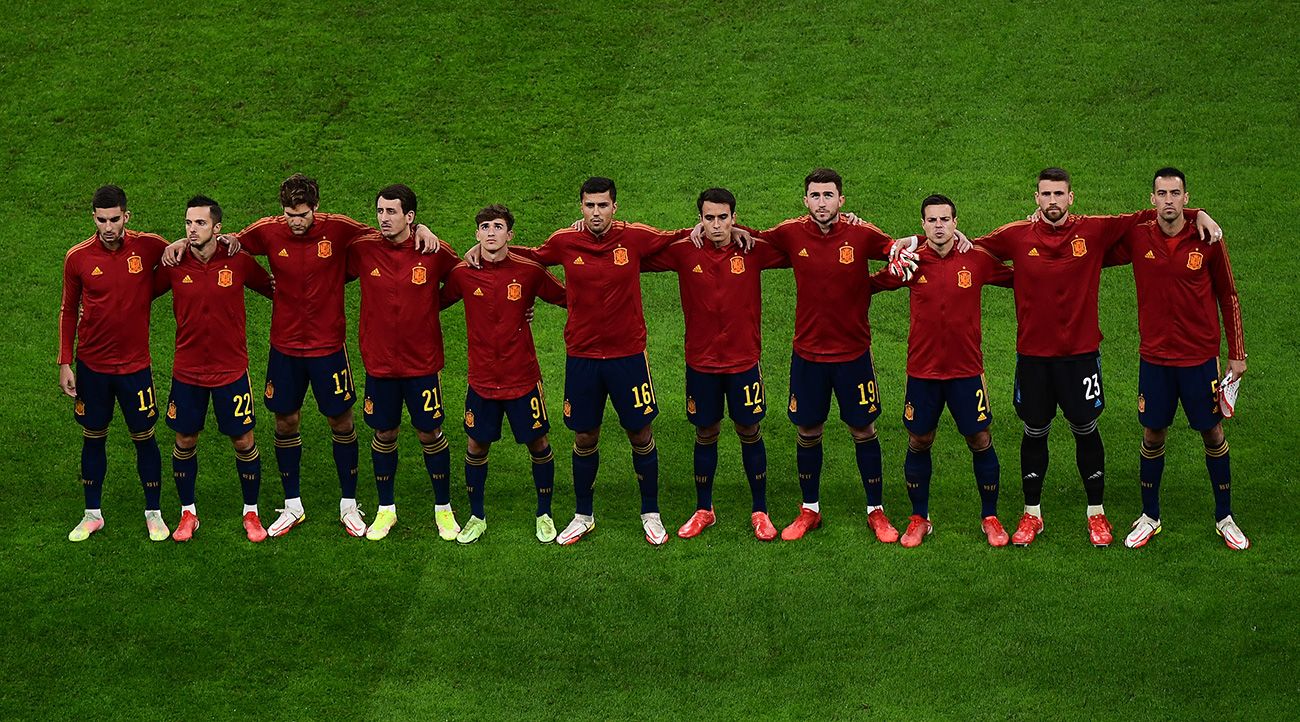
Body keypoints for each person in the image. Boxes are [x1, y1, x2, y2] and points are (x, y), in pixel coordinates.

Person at [163, 173, 439, 538]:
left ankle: (348, 503)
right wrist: (183, 240)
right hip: (285, 349)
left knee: (341, 421)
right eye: (290, 214)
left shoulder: (339, 228)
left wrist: (422, 229)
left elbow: (385, 233)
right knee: (285, 422)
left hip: (329, 348)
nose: (296, 222)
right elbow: (223, 239)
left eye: (303, 214)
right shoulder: (267, 230)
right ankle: (292, 504)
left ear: (316, 208)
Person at [975, 167, 1221, 547]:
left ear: (1071, 197)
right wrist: (1009, 275)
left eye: (1059, 194)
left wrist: (1197, 213)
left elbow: (1151, 213)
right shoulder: (1015, 234)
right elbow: (970, 250)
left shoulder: (1093, 230)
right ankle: (1031, 513)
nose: (1053, 201)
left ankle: (1096, 513)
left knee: (1086, 429)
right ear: (1036, 198)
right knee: (1034, 431)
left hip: (1081, 356)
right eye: (1046, 194)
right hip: (1033, 357)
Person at [462, 177, 693, 546]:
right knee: (585, 435)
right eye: (589, 205)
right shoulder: (564, 241)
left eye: (603, 205)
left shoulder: (635, 236)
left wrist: (732, 232)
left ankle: (651, 514)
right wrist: (481, 248)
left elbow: (681, 236)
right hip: (582, 356)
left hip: (628, 356)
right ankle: (583, 515)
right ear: (581, 207)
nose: (596, 212)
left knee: (640, 433)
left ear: (615, 207)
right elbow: (530, 257)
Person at [757, 168, 904, 543]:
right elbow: (747, 238)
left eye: (828, 195)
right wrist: (703, 230)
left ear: (841, 200)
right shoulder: (790, 232)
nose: (821, 202)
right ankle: (810, 509)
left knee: (863, 429)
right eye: (815, 195)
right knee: (808, 430)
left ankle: (876, 511)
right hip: (808, 355)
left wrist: (872, 284)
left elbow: (900, 253)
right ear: (805, 200)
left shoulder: (862, 233)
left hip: (854, 355)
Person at [1104, 168, 1248, 550]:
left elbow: (1229, 295)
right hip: (1155, 360)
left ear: (1186, 197)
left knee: (1213, 432)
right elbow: (1094, 246)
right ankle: (1150, 516)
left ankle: (1225, 517)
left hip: (1199, 360)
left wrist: (1237, 354)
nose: (1169, 200)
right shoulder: (1139, 237)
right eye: (1162, 193)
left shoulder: (1208, 239)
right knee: (1153, 434)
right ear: (1152, 199)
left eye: (1175, 193)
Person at [641, 188, 788, 541]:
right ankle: (704, 509)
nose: (717, 225)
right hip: (701, 362)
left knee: (749, 429)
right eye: (709, 218)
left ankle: (760, 511)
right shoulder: (684, 250)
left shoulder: (752, 248)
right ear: (700, 219)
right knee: (705, 432)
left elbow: (797, 244)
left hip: (744, 361)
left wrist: (747, 232)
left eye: (724, 218)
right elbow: (634, 253)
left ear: (734, 218)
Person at [870, 195, 1013, 547]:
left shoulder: (976, 259)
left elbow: (1021, 278)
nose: (938, 225)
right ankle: (919, 518)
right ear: (923, 225)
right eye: (932, 220)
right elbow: (869, 285)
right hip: (923, 372)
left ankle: (990, 517)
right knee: (920, 439)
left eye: (945, 219)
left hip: (967, 371)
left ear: (955, 222)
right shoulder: (912, 261)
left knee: (979, 439)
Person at [441, 204, 567, 544]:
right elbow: (430, 302)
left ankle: (544, 514)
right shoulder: (462, 274)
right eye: (485, 227)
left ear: (510, 234)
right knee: (476, 445)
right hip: (481, 380)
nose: (491, 232)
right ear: (477, 234)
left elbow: (567, 298)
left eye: (498, 226)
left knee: (538, 443)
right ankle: (476, 516)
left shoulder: (529, 271)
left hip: (523, 378)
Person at [153, 196, 274, 542]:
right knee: (185, 440)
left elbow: (274, 289)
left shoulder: (238, 261)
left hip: (231, 371)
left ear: (217, 227)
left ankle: (251, 512)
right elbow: (137, 295)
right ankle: (187, 513)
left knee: (244, 440)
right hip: (187, 371)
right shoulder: (174, 263)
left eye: (200, 223)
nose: (192, 229)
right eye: (188, 223)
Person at [347, 184, 461, 541]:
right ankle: (386, 510)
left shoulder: (432, 249)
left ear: (409, 216)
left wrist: (431, 304)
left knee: (430, 433)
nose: (383, 218)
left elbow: (465, 276)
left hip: (422, 364)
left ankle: (443, 509)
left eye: (391, 212)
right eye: (380, 211)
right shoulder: (363, 248)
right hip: (379, 364)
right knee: (385, 433)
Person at [60, 185, 170, 541]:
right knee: (93, 438)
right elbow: (67, 311)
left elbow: (178, 255)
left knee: (145, 438)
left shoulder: (148, 246)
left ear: (127, 216)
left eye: (115, 219)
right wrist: (65, 362)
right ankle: (92, 514)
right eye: (102, 220)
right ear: (93, 218)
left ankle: (153, 513)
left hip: (135, 367)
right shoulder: (77, 257)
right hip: (92, 367)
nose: (108, 227)